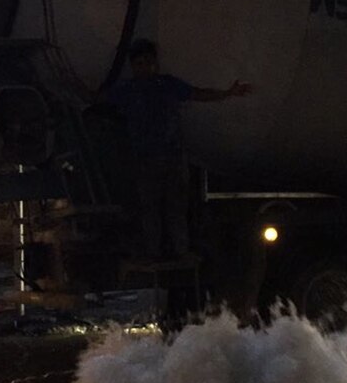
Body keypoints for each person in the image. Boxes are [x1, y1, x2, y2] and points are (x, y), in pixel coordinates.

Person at [108, 38, 252, 259]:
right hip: (146, 159)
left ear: (155, 63)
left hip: (172, 157)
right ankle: (154, 253)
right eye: (139, 63)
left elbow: (198, 93)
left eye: (148, 62)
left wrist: (226, 93)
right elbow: (96, 99)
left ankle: (180, 251)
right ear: (133, 66)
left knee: (175, 207)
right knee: (151, 210)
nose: (144, 67)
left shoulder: (166, 85)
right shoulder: (128, 90)